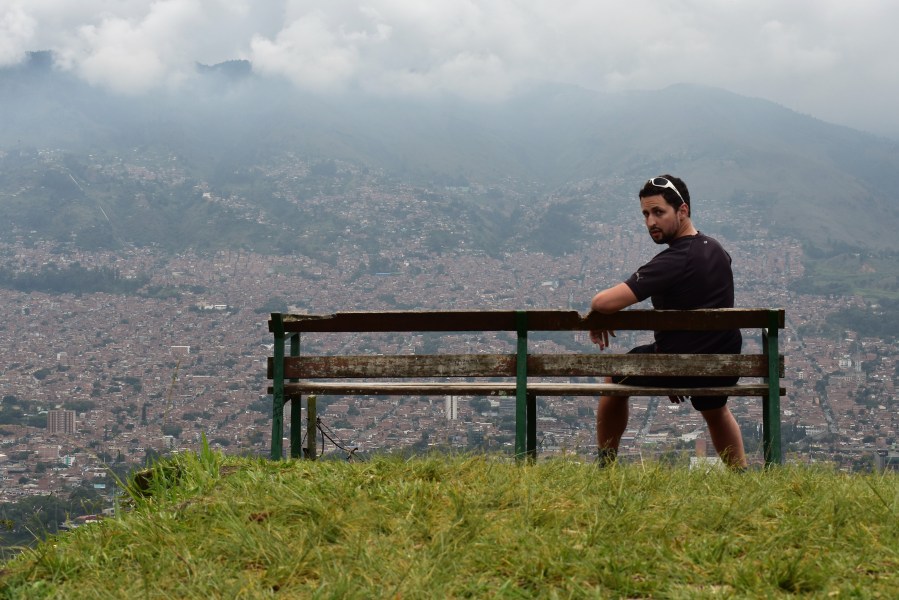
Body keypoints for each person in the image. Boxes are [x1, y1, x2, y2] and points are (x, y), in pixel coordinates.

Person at [588, 175, 747, 469]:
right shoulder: (718, 251)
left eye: (658, 212)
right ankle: (741, 473)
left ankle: (605, 465)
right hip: (721, 366)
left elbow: (603, 302)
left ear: (682, 210)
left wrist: (674, 370)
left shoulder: (674, 260)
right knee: (715, 410)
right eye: (646, 214)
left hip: (679, 364)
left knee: (613, 378)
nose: (651, 222)